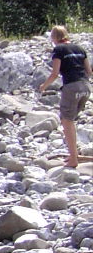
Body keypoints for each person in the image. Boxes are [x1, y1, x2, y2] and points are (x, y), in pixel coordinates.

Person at [38, 25, 92, 168]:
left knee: (66, 121)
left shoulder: (59, 50)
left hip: (71, 87)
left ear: (54, 37)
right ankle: (75, 153)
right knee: (71, 119)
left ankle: (73, 158)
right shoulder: (80, 48)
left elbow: (55, 73)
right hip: (86, 87)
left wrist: (44, 86)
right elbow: (89, 71)